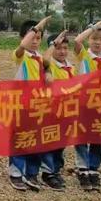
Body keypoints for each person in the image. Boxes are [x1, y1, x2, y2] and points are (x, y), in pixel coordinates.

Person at [9, 17, 52, 192]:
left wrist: (48, 73)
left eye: (38, 38)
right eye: (32, 37)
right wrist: (38, 26)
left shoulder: (42, 59)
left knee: (36, 139)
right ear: (23, 37)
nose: (35, 41)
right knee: (20, 138)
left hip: (38, 105)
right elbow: (23, 46)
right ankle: (16, 172)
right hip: (21, 104)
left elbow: (48, 69)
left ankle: (32, 173)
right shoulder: (20, 55)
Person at [73, 20, 101, 191]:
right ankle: (82, 168)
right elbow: (76, 41)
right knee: (81, 137)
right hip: (83, 105)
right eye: (94, 38)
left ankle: (93, 169)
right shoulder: (84, 56)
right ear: (90, 39)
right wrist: (93, 27)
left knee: (97, 137)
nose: (97, 42)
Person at [40, 30, 75, 191]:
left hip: (66, 111)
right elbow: (44, 59)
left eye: (65, 48)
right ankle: (48, 172)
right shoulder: (49, 65)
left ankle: (57, 170)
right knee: (50, 141)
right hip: (51, 112)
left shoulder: (71, 67)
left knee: (61, 143)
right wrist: (53, 42)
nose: (62, 51)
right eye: (58, 48)